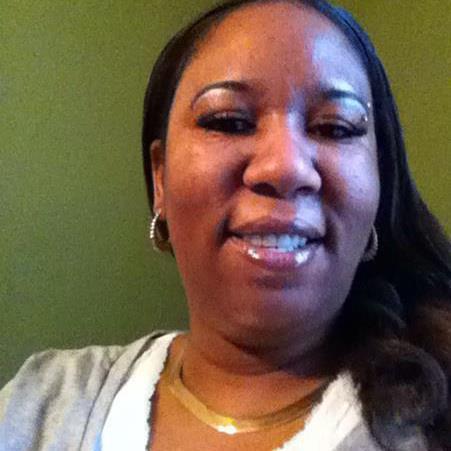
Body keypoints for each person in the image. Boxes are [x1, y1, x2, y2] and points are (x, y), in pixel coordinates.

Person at [1, 0, 450, 449]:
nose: (285, 167)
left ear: (379, 183)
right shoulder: (40, 401)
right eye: (229, 121)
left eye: (335, 128)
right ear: (160, 179)